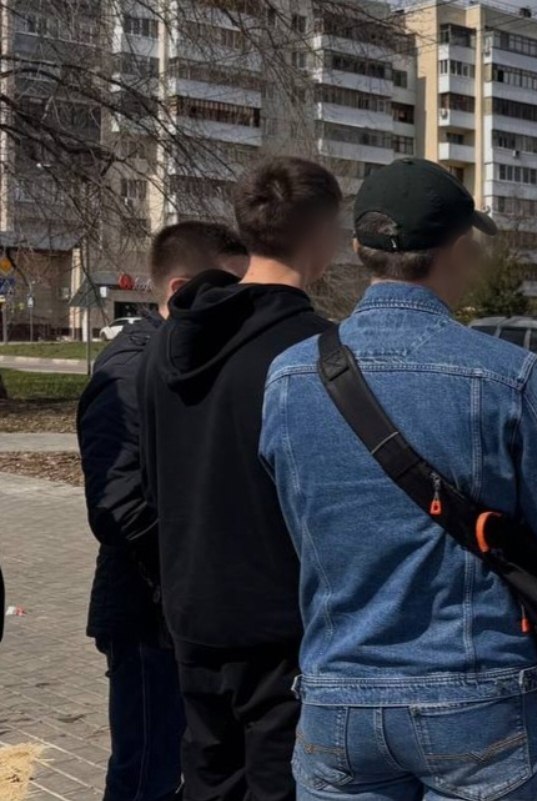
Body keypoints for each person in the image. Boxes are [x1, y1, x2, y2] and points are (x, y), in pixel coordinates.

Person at [260, 158, 537, 801]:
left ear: (359, 248)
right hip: (474, 695)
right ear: (457, 248)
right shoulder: (509, 375)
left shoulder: (287, 377)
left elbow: (292, 526)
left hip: (337, 694)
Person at [139, 157, 341, 801]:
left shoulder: (166, 344)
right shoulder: (318, 352)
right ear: (324, 233)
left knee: (207, 780)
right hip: (282, 625)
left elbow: (152, 476)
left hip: (191, 612)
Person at [77, 222, 248, 801]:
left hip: (188, 610)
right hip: (149, 615)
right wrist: (200, 567)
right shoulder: (131, 370)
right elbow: (116, 506)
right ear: (181, 289)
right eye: (233, 288)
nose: (244, 305)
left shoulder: (189, 357)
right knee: (147, 769)